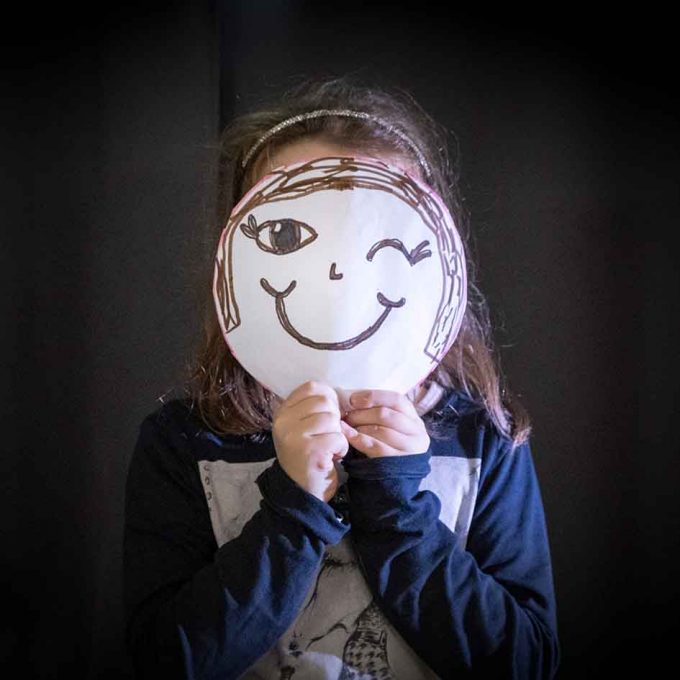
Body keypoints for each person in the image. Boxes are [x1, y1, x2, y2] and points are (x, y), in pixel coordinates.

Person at [123, 78, 560, 679]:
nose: (337, 272)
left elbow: (524, 663)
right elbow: (164, 662)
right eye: (285, 235)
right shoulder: (184, 442)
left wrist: (398, 505)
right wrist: (294, 507)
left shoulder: (483, 440)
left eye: (382, 234)